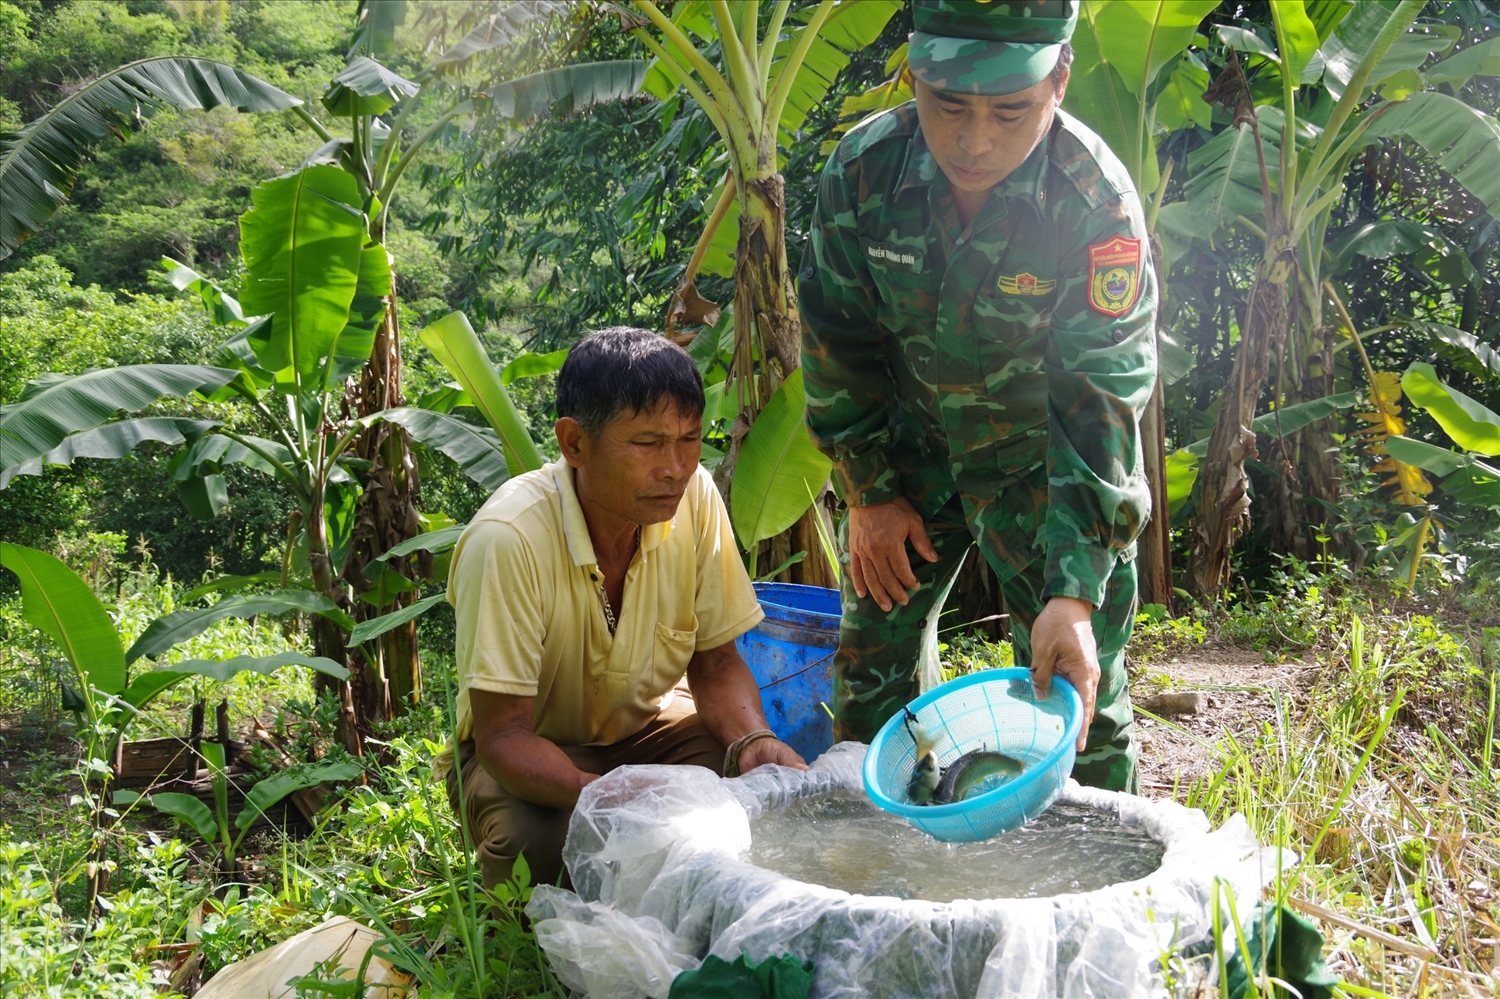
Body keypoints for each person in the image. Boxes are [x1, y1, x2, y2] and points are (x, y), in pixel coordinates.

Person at [798, 0, 1157, 791]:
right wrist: (871, 489)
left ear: (1059, 81)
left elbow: (1101, 397)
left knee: (1079, 704)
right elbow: (836, 340)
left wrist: (1072, 589)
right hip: (912, 454)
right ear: (913, 73)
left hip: (1046, 469)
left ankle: (1099, 897)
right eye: (948, 104)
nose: (975, 140)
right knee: (867, 694)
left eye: (1011, 110)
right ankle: (882, 886)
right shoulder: (865, 173)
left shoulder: (1094, 202)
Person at [439, 327, 806, 890]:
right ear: (573, 444)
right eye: (647, 443)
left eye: (689, 439)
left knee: (747, 791)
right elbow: (503, 736)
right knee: (542, 844)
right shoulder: (508, 538)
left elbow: (715, 664)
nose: (676, 467)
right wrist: (605, 795)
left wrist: (753, 738)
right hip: (532, 749)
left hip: (652, 728)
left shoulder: (695, 498)